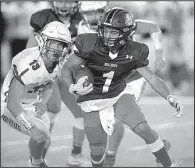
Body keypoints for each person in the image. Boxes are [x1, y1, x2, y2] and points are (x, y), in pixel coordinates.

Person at [62, 8, 183, 167]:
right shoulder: (88, 39)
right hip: (93, 95)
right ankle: (106, 155)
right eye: (104, 30)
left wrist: (170, 97)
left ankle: (166, 164)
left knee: (140, 127)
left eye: (112, 32)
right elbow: (68, 68)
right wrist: (73, 86)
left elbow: (152, 77)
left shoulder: (133, 48)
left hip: (120, 88)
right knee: (97, 147)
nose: (106, 35)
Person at [26, 1, 91, 167]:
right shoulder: (43, 18)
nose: (64, 5)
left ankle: (75, 155)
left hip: (67, 71)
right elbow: (30, 49)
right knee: (52, 110)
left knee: (83, 112)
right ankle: (38, 159)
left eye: (68, 1)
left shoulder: (83, 18)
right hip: (48, 71)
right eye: (61, 0)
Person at [1, 21, 72, 167]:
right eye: (53, 43)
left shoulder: (57, 64)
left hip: (31, 103)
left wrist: (43, 102)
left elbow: (49, 86)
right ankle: (36, 163)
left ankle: (35, 161)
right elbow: (12, 103)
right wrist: (29, 126)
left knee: (46, 141)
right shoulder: (29, 64)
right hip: (9, 106)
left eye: (60, 45)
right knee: (40, 136)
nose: (56, 48)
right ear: (43, 40)